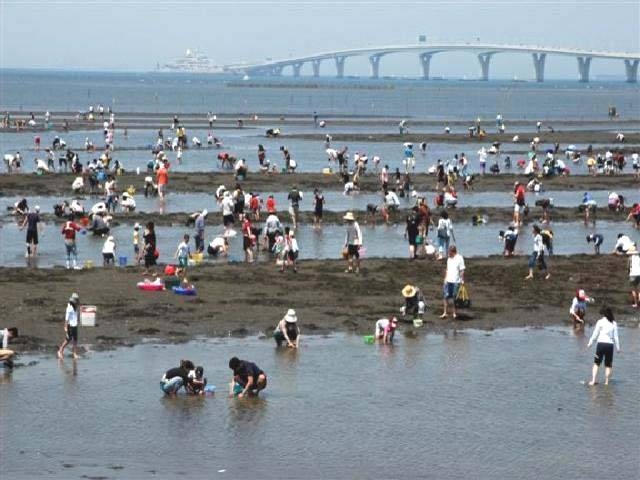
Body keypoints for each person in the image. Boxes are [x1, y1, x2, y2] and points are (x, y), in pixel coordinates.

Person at [587, 307, 620, 386]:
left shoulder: (600, 322)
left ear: (603, 314)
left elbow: (595, 334)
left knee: (596, 363)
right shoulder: (614, 323)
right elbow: (616, 337)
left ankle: (593, 380)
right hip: (610, 345)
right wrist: (618, 348)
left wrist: (590, 343)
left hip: (601, 344)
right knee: (608, 365)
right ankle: (606, 382)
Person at [441, 246, 465, 319]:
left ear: (453, 252)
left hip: (456, 281)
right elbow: (447, 269)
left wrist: (462, 279)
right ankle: (445, 312)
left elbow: (462, 270)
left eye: (449, 252)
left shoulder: (459, 258)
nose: (448, 254)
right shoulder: (449, 259)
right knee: (445, 296)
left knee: (454, 297)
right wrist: (445, 279)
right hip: (448, 280)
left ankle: (454, 313)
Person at [57, 293, 80, 360]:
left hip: (75, 325)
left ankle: (75, 353)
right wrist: (65, 327)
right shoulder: (69, 308)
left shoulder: (76, 306)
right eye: (76, 300)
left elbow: (76, 315)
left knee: (75, 340)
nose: (77, 302)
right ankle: (60, 350)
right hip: (70, 326)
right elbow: (66, 319)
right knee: (68, 339)